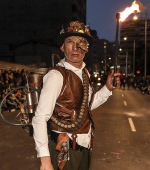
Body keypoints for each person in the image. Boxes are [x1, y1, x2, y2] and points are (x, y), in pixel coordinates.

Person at [32, 21, 120, 170]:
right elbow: (40, 118)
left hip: (83, 148)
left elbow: (86, 106)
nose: (75, 48)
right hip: (65, 152)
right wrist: (45, 161)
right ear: (62, 47)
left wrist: (107, 88)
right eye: (70, 42)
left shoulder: (84, 73)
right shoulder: (56, 76)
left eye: (81, 43)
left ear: (87, 49)